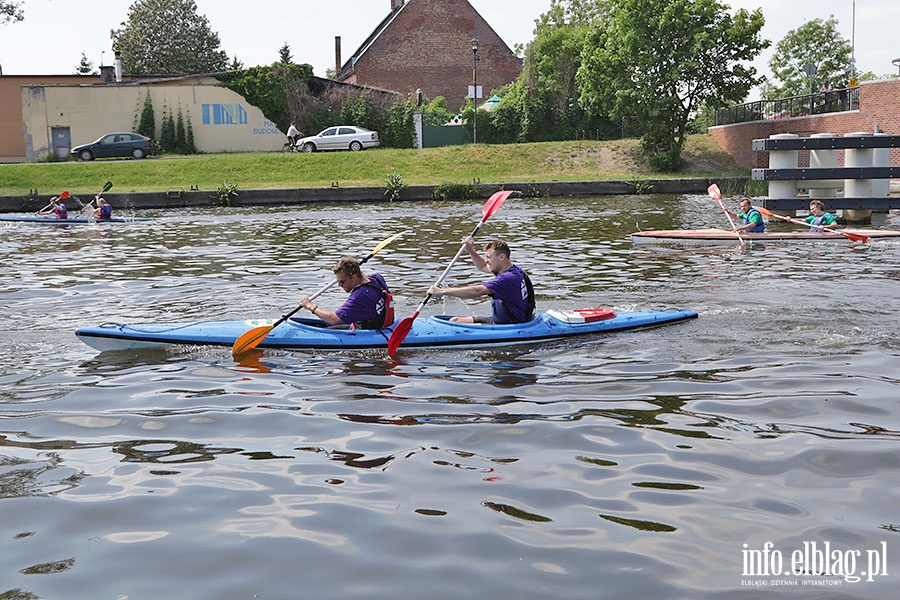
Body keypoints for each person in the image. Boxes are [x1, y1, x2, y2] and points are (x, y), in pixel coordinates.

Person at [428, 238, 535, 324]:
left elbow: (477, 291)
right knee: (454, 320)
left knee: (455, 322)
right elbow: (483, 266)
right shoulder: (514, 270)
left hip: (510, 326)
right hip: (509, 321)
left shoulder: (507, 279)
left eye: (489, 257)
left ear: (501, 257)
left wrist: (442, 291)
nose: (486, 260)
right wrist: (470, 250)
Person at [298, 257, 393, 329]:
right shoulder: (377, 278)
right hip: (381, 323)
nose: (339, 285)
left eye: (342, 281)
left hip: (368, 332)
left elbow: (334, 319)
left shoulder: (360, 296)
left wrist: (309, 306)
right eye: (338, 281)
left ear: (354, 278)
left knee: (332, 326)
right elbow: (362, 276)